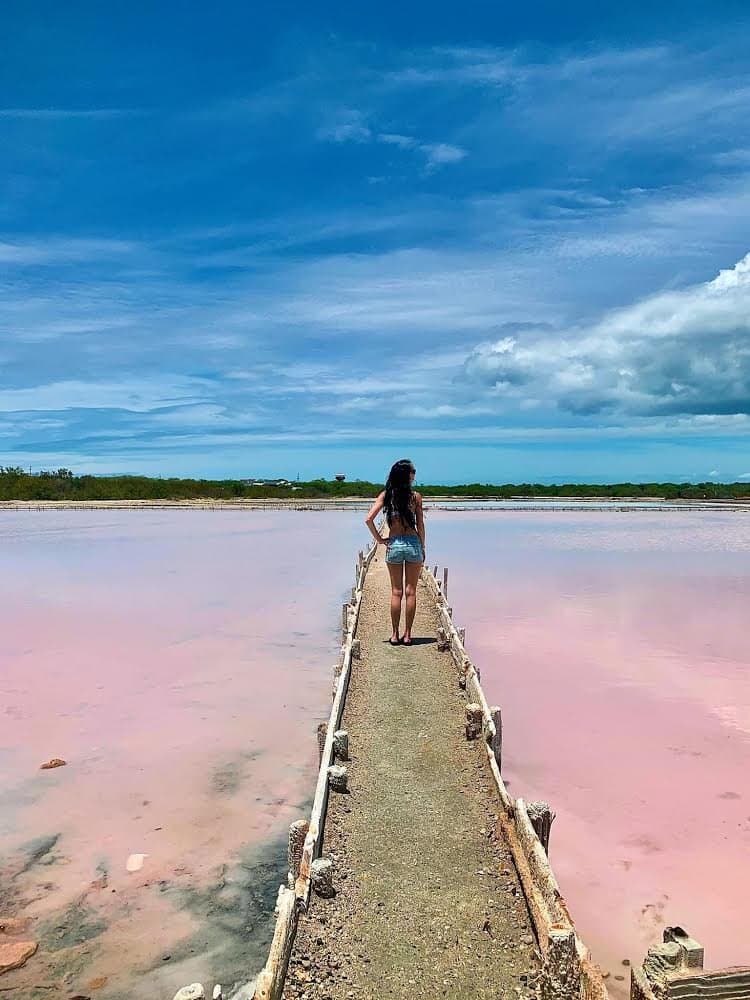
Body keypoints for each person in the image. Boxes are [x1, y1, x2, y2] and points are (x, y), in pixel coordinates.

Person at [364, 459, 425, 646]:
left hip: (395, 544)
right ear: (407, 475)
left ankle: (394, 635)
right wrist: (422, 546)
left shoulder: (386, 495)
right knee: (411, 592)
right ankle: (407, 635)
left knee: (396, 592)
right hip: (413, 543)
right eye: (413, 471)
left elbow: (368, 519)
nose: (415, 473)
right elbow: (420, 525)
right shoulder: (416, 497)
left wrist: (380, 540)